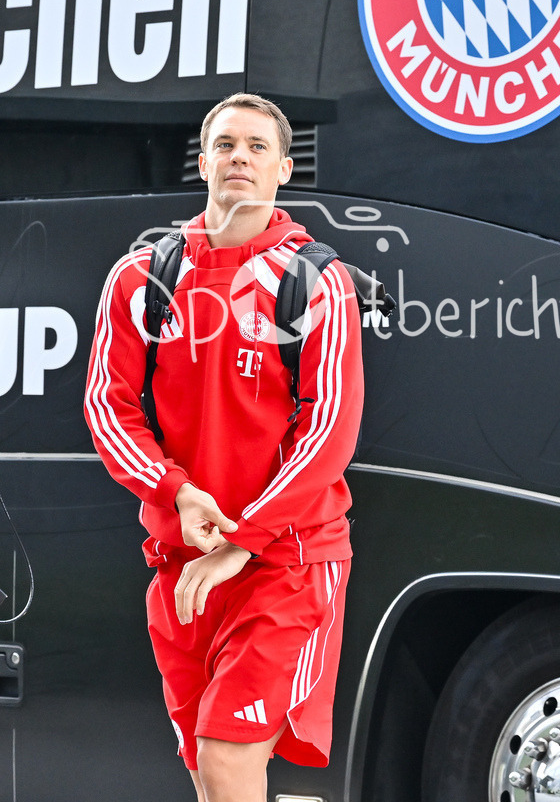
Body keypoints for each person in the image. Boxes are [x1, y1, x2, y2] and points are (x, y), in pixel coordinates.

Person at [84, 93, 364, 802]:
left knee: (227, 758)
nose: (241, 156)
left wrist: (245, 538)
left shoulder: (315, 279)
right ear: (202, 161)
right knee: (214, 777)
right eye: (227, 144)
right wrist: (176, 491)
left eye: (258, 147)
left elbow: (328, 430)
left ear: (283, 170)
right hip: (182, 569)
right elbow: (107, 406)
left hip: (286, 563)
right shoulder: (141, 278)